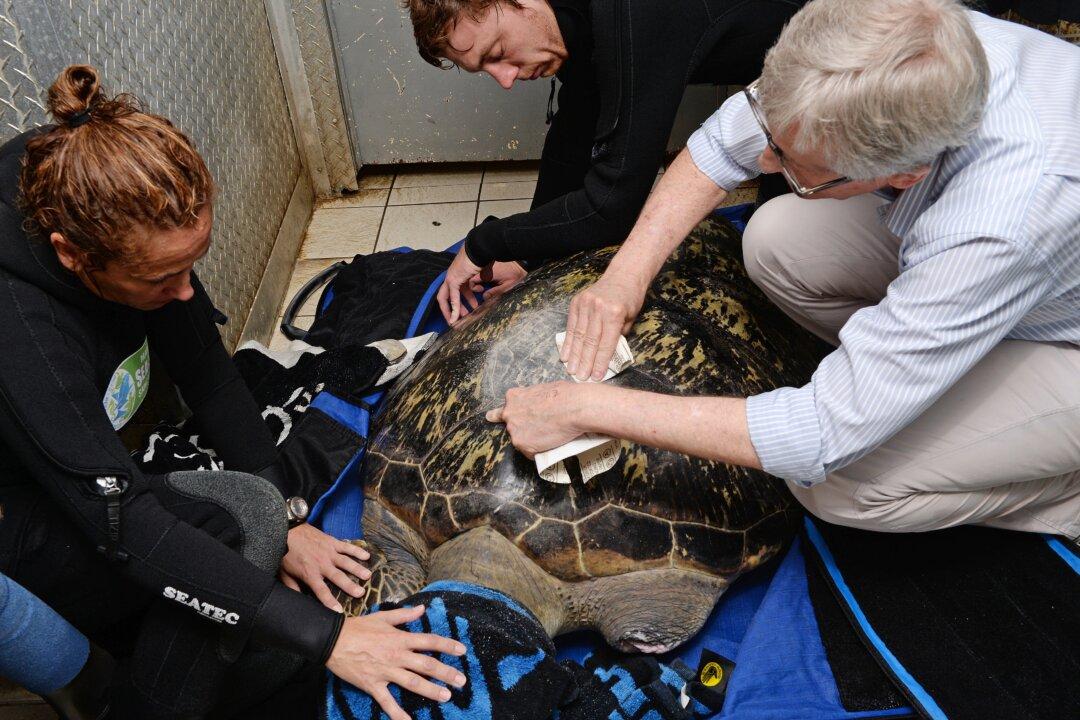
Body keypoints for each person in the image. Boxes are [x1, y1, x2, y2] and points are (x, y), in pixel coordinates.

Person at [488, 0, 1080, 541]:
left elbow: (821, 435)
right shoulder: (898, 42)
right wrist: (624, 276)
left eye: (791, 166)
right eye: (771, 137)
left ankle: (1064, 491)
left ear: (904, 174)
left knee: (840, 483)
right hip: (1022, 270)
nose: (764, 159)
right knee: (776, 240)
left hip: (1065, 339)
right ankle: (907, 368)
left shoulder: (1001, 219)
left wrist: (585, 409)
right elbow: (722, 145)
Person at [0, 65, 465, 719]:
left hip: (82, 473)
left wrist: (293, 518)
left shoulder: (100, 196)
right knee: (240, 521)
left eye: (195, 262)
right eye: (165, 277)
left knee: (263, 511)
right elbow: (125, 528)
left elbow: (212, 378)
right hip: (13, 524)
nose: (187, 293)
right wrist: (331, 641)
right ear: (73, 256)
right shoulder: (21, 331)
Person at [404, 0, 807, 323]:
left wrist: (484, 243)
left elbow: (611, 206)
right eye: (485, 69)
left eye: (498, 53)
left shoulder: (635, 15)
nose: (505, 79)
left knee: (776, 264)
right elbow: (575, 128)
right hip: (778, 67)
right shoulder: (569, 20)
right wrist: (526, 256)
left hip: (836, 62)